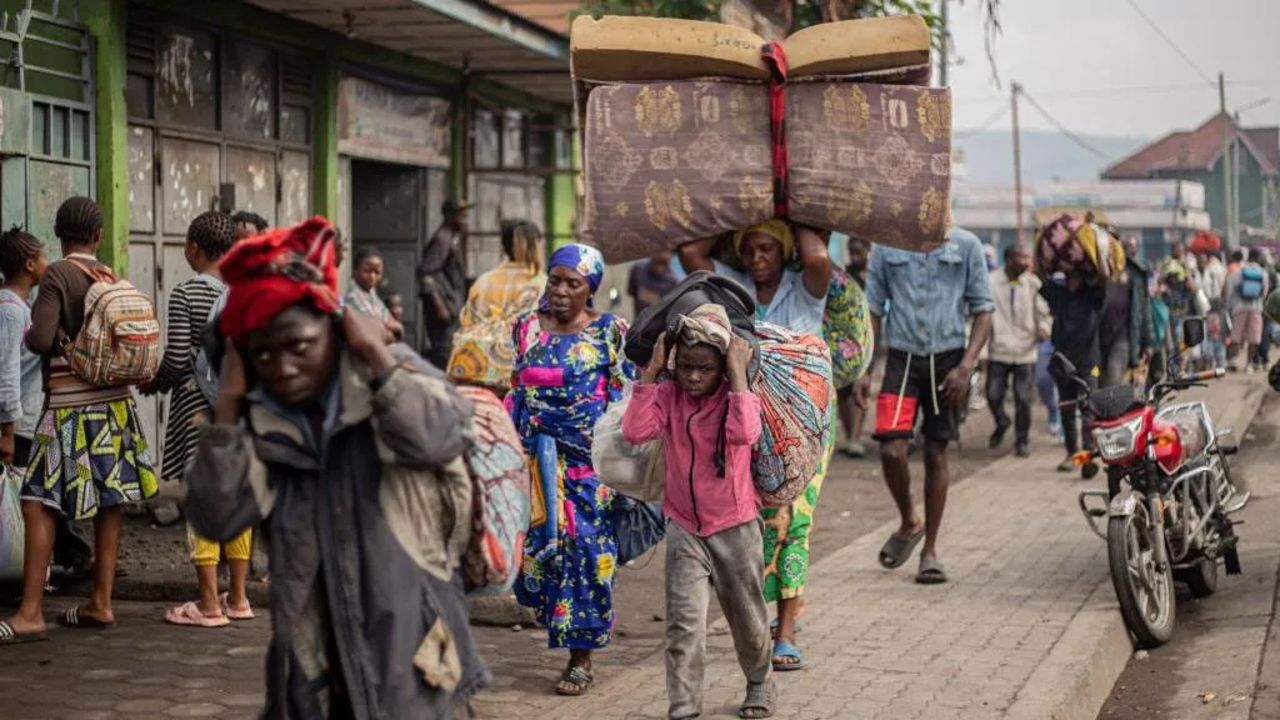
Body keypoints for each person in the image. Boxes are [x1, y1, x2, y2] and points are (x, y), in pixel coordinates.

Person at [184, 216, 484, 717]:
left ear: (334, 327)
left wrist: (374, 353)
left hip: (416, 651)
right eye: (263, 354)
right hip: (311, 663)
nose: (282, 367)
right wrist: (228, 410)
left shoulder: (394, 376)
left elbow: (440, 437)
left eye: (298, 346)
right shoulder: (256, 424)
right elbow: (218, 517)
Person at [1, 197, 158, 642]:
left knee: (37, 501)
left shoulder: (57, 275)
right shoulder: (107, 274)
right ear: (99, 236)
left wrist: (37, 333)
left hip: (70, 408)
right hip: (115, 406)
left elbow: (42, 339)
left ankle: (30, 612)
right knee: (110, 501)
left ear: (58, 233)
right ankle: (101, 604)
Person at [678, 220, 832, 671]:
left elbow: (819, 257)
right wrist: (741, 209)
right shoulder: (733, 289)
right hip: (744, 412)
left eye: (768, 248)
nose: (757, 258)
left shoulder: (806, 288)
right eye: (749, 250)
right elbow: (691, 254)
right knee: (752, 517)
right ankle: (757, 618)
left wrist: (791, 208)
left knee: (795, 518)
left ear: (786, 251)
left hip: (805, 419)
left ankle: (785, 631)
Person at [622, 305, 776, 720]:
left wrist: (738, 374)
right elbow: (635, 432)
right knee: (684, 626)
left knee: (747, 620)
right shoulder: (669, 394)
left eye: (704, 368)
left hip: (736, 526)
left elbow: (745, 433)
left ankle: (760, 680)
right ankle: (684, 707)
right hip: (684, 527)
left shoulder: (735, 396)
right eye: (686, 367)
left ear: (721, 367)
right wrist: (651, 374)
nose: (693, 376)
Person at [509, 243, 633, 696]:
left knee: (587, 558)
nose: (560, 291)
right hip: (535, 467)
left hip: (589, 470)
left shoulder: (608, 332)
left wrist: (627, 467)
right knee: (539, 558)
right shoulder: (525, 328)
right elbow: (515, 389)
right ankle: (553, 622)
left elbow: (624, 397)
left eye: (573, 284)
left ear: (591, 290)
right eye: (555, 280)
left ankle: (580, 660)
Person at [137, 211, 251, 628]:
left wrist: (152, 384)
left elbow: (180, 358)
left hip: (197, 411)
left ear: (193, 249)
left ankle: (208, 604)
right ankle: (238, 598)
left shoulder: (186, 293)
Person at [866, 226, 993, 585]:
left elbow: (983, 310)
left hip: (949, 361)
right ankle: (910, 520)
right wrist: (864, 369)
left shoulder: (967, 244)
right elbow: (873, 311)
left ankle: (930, 552)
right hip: (901, 361)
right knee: (891, 450)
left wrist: (966, 366)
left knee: (937, 454)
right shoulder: (885, 244)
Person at [450, 220, 545, 390]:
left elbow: (467, 322)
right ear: (535, 245)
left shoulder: (484, 281)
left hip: (481, 372)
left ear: (505, 247)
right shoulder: (542, 284)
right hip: (525, 377)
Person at [1040, 258, 1107, 473]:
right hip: (1062, 360)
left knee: (1088, 406)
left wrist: (1099, 260)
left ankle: (1088, 454)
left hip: (1089, 361)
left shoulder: (1093, 294)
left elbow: (1104, 277)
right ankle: (1072, 453)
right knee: (1067, 408)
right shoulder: (1059, 293)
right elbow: (1041, 278)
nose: (1072, 275)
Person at [985, 244, 1051, 458]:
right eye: (1021, 257)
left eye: (1027, 257)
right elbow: (982, 315)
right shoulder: (990, 282)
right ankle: (1002, 421)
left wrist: (1043, 328)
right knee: (993, 395)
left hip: (1025, 351)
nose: (1026, 262)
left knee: (1023, 398)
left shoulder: (1033, 284)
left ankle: (1022, 441)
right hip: (999, 349)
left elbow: (1044, 313)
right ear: (1009, 259)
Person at [0, 228, 47, 472]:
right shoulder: (11, 311)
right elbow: (6, 372)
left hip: (24, 426)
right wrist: (7, 433)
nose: (46, 264)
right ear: (30, 264)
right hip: (15, 430)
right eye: (43, 258)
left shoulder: (20, 307)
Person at [419, 199, 470, 368]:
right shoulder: (442, 239)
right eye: (461, 216)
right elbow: (425, 273)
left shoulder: (451, 239)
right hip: (443, 312)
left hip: (452, 307)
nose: (465, 220)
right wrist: (439, 305)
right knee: (444, 355)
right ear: (449, 216)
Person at [1099, 238, 1155, 388]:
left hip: (1122, 340)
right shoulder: (1096, 273)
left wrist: (1149, 342)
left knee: (1113, 381)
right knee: (1096, 386)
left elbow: (1144, 311)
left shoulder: (1134, 274)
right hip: (1096, 343)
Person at [837, 235, 872, 458]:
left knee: (862, 388)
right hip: (845, 338)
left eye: (859, 250)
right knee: (843, 391)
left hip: (868, 339)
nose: (855, 255)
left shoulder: (876, 276)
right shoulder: (844, 276)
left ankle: (856, 437)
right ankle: (850, 435)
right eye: (853, 251)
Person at [1226, 247, 1271, 374]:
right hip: (1256, 309)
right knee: (1254, 338)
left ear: (1248, 257)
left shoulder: (1239, 272)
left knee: (1236, 336)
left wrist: (1230, 306)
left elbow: (1230, 291)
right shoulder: (1263, 273)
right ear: (1258, 258)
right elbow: (1264, 292)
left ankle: (1234, 361)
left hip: (1239, 308)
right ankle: (1249, 365)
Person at [345, 246, 404, 340]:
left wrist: (390, 327)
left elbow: (388, 319)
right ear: (355, 270)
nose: (372, 277)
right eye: (367, 271)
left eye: (377, 272)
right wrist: (397, 330)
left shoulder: (371, 292)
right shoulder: (353, 297)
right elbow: (375, 335)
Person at [627, 248, 679, 318]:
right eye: (656, 263)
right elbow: (633, 294)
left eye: (663, 264)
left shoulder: (674, 284)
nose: (659, 269)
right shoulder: (638, 271)